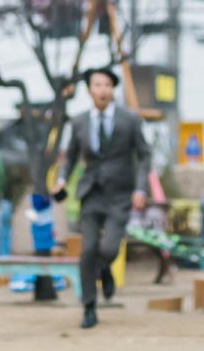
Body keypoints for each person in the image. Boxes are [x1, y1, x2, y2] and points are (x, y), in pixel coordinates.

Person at [54, 66, 150, 329]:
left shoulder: (130, 120)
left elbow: (145, 155)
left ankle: (104, 268)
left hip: (120, 195)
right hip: (91, 193)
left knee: (108, 249)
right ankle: (88, 308)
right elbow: (71, 156)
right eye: (97, 85)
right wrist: (62, 179)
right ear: (89, 90)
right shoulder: (79, 121)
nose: (102, 90)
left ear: (112, 89)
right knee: (86, 251)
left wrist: (141, 189)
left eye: (107, 85)